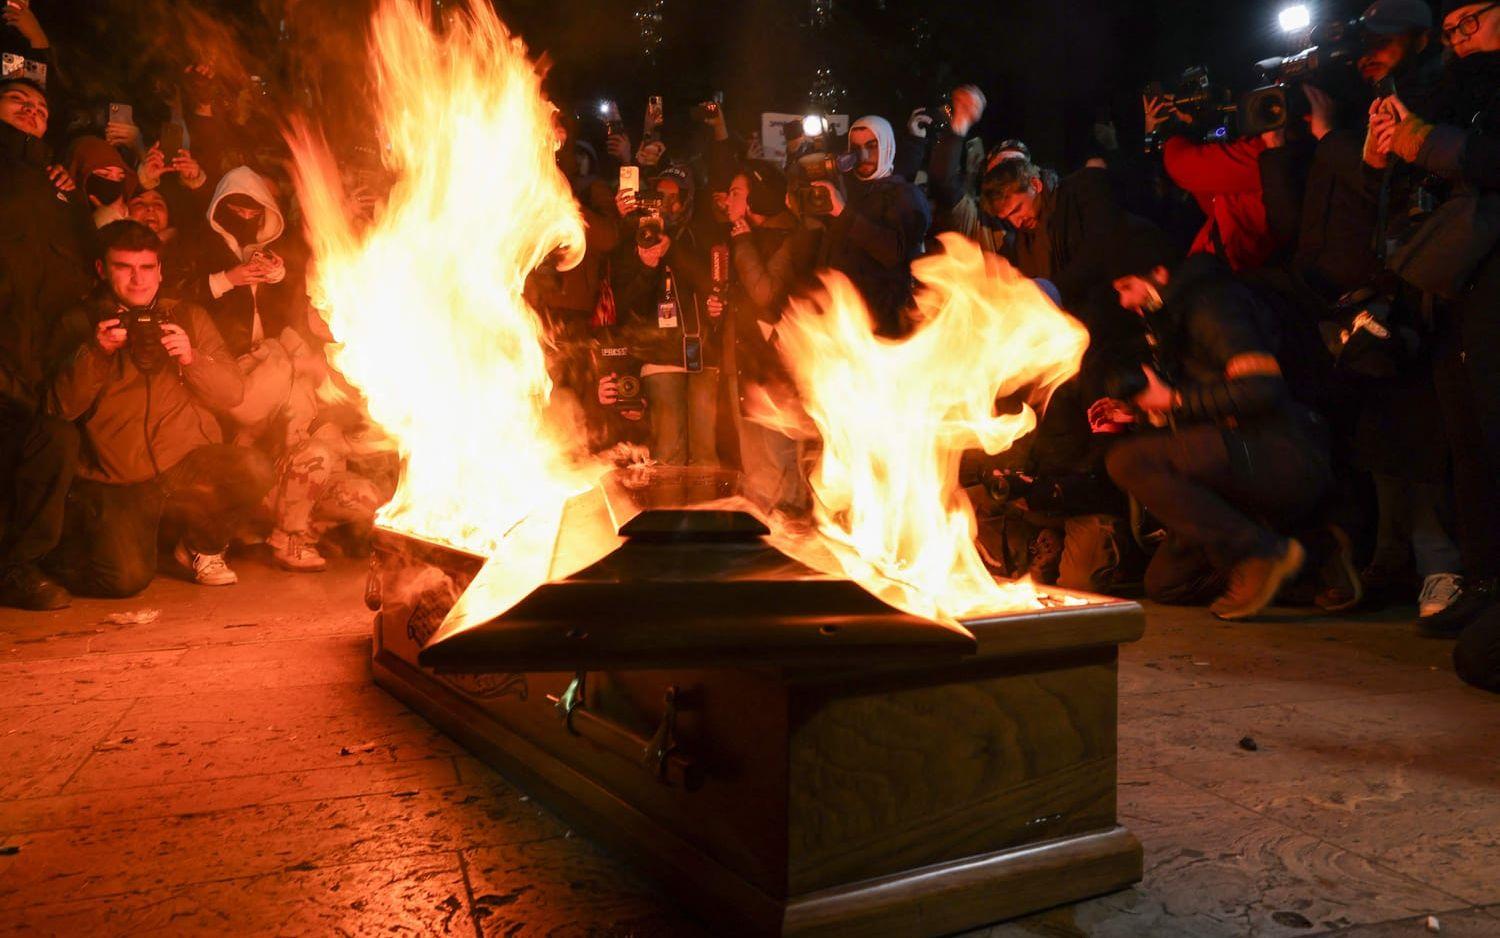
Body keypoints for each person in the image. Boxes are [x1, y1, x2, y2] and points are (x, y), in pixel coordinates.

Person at [1100, 229, 1332, 620]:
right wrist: (1147, 410)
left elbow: (1261, 389)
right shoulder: (1169, 317)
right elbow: (1200, 391)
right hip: (1229, 454)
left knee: (1127, 461)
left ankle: (1262, 552)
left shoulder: (1213, 304)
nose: (1124, 301)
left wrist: (1174, 401)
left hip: (1277, 450)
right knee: (1167, 585)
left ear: (1159, 272)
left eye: (1128, 286)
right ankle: (1313, 555)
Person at [1364, 0, 1500, 634]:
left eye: (1469, 23)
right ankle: (1482, 581)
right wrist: (1383, 154)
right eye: (1451, 30)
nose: (1460, 38)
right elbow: (1411, 195)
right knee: (1465, 438)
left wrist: (1430, 143)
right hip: (1452, 284)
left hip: (1490, 276)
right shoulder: (1449, 88)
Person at [43, 221, 272, 595]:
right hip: (118, 477)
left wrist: (192, 358)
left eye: (147, 268)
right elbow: (57, 409)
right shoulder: (80, 322)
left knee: (253, 468)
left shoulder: (187, 317)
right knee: (124, 580)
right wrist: (97, 352)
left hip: (181, 460)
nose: (138, 280)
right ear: (102, 270)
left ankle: (200, 547)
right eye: (124, 267)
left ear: (160, 270)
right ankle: (56, 552)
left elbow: (233, 393)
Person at [0, 75, 92, 610]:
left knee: (52, 445)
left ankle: (18, 566)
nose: (33, 108)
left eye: (39, 105)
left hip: (40, 360)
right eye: (18, 99)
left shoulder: (57, 184)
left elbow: (84, 259)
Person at [725, 161, 820, 516]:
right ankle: (765, 534)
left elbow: (765, 295)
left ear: (756, 199)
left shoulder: (791, 238)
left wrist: (744, 242)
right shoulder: (746, 236)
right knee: (756, 465)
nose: (726, 199)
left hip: (776, 370)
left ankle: (790, 536)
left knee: (779, 457)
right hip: (750, 365)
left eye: (736, 192)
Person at [613, 165, 722, 466]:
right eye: (658, 195)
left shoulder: (699, 233)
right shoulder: (635, 237)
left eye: (673, 197)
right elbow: (626, 305)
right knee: (669, 453)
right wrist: (647, 267)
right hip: (659, 355)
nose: (665, 203)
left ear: (687, 200)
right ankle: (671, 512)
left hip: (702, 353)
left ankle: (704, 513)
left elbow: (708, 280)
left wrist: (671, 250)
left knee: (705, 453)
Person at [813, 115, 931, 337]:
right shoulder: (853, 195)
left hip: (881, 329)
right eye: (856, 148)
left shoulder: (906, 195)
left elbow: (896, 252)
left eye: (872, 146)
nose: (863, 156)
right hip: (842, 324)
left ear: (887, 147)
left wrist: (843, 213)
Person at [980, 155, 1127, 305]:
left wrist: (1052, 289)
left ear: (1036, 185)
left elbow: (1101, 248)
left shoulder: (1081, 190)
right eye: (1007, 218)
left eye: (1017, 209)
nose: (1016, 223)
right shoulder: (1021, 243)